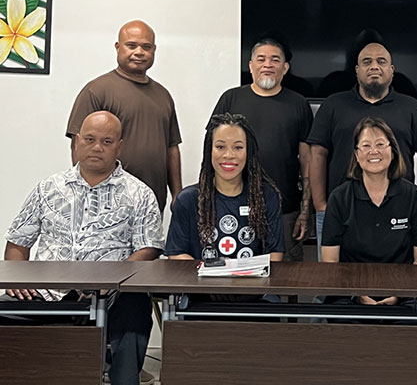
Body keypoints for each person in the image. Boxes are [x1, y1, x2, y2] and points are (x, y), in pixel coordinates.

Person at [4, 111, 163, 385]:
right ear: (77, 142)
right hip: (47, 293)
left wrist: (112, 280)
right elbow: (18, 242)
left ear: (120, 146)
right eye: (90, 139)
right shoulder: (48, 189)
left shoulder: (140, 194)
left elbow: (148, 248)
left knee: (135, 306)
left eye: (107, 141)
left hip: (110, 295)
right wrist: (18, 280)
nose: (97, 147)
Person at [308, 42, 417, 250]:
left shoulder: (412, 107)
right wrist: (320, 205)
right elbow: (317, 154)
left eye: (381, 61)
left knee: (398, 277)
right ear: (357, 70)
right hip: (341, 210)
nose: (374, 66)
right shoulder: (333, 105)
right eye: (367, 62)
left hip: (399, 211)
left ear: (392, 71)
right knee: (333, 277)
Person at [213, 38, 313, 262]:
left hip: (284, 208)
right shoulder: (231, 98)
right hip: (232, 206)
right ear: (251, 66)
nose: (267, 64)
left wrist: (306, 210)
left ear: (285, 68)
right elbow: (212, 150)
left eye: (275, 59)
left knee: (286, 277)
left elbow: (308, 160)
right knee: (232, 270)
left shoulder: (298, 104)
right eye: (261, 59)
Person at [66, 20, 182, 212]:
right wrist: (87, 193)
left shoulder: (163, 95)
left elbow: (172, 148)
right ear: (117, 47)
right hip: (105, 203)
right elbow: (79, 146)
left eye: (146, 47)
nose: (139, 52)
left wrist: (177, 193)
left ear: (154, 50)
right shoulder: (97, 91)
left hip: (152, 202)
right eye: (131, 45)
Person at [321, 117, 417, 310]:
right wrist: (358, 294)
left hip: (403, 293)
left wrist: (399, 294)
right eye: (365, 146)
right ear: (356, 154)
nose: (374, 151)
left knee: (409, 322)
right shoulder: (339, 198)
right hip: (349, 293)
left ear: (393, 151)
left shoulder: (412, 195)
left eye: (380, 144)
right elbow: (330, 261)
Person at [165, 113, 284, 262]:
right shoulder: (187, 199)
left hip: (252, 284)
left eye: (238, 147)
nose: (229, 155)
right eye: (220, 147)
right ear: (209, 151)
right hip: (203, 284)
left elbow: (275, 254)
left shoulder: (266, 195)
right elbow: (176, 254)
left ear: (249, 152)